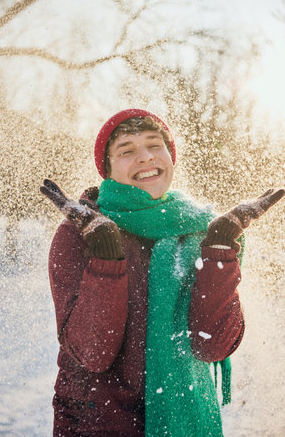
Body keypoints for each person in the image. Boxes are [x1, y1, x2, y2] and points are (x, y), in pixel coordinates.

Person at [41, 108, 284, 437]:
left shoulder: (198, 231)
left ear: (170, 156)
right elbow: (93, 354)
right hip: (99, 425)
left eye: (155, 145)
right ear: (108, 171)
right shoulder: (80, 235)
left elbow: (211, 346)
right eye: (126, 150)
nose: (144, 157)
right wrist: (107, 258)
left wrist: (220, 250)